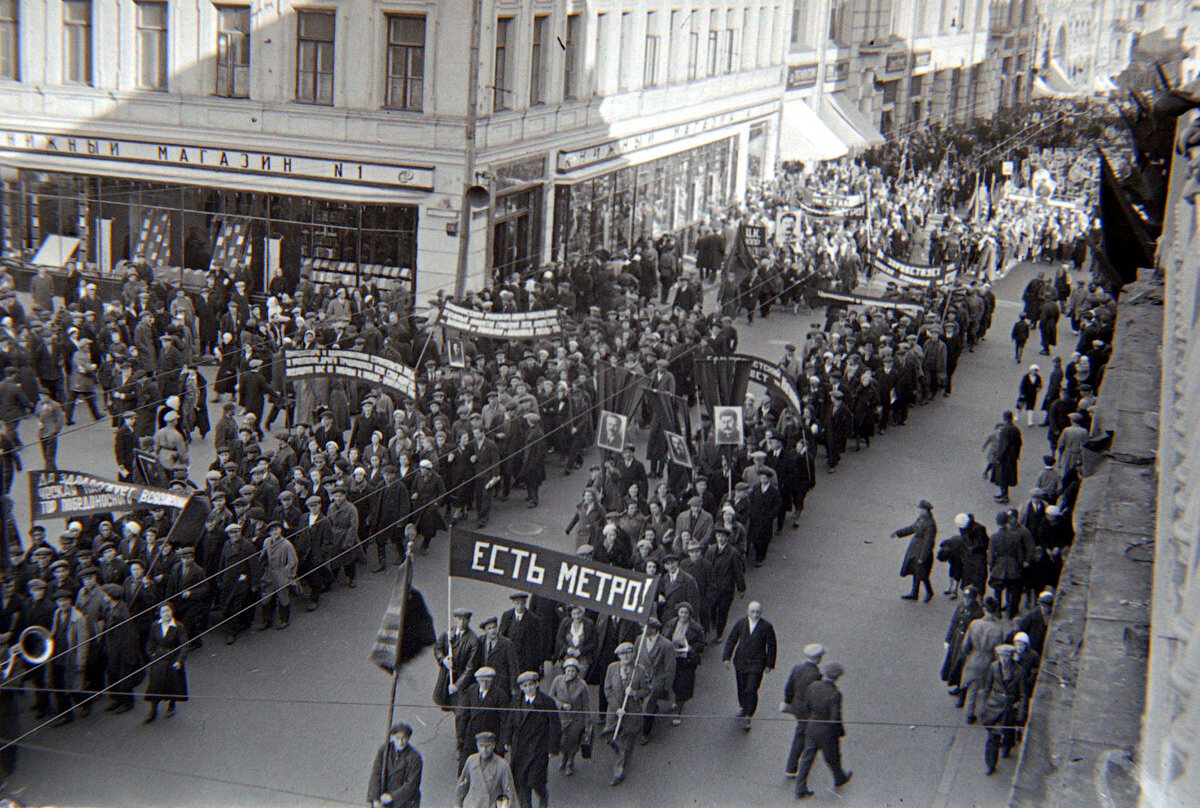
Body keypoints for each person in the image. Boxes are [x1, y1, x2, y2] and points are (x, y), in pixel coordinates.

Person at [794, 662, 852, 799]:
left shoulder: (812, 687)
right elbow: (835, 717)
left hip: (812, 727)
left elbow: (807, 706)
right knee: (832, 757)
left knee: (807, 758)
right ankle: (839, 778)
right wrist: (839, 732)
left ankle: (800, 787)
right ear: (837, 677)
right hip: (827, 732)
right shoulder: (835, 694)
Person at [505, 670, 560, 808]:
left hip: (538, 748)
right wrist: (506, 740)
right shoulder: (516, 701)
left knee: (535, 781)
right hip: (520, 748)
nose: (528, 688)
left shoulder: (547, 702)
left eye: (531, 684)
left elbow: (555, 726)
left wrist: (553, 748)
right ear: (521, 688)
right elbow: (510, 721)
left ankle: (543, 795)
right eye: (525, 686)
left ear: (536, 684)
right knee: (521, 782)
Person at [722, 600, 777, 730]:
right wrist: (726, 658)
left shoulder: (766, 627)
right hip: (741, 662)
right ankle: (743, 706)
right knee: (741, 687)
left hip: (757, 664)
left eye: (758, 612)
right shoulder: (741, 624)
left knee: (751, 689)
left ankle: (748, 714)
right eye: (752, 611)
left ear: (761, 613)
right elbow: (731, 640)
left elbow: (772, 646)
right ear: (747, 612)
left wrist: (769, 664)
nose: (755, 614)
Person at [602, 641, 649, 787]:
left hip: (632, 713)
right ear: (618, 656)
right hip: (614, 713)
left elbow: (647, 690)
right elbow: (607, 690)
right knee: (612, 737)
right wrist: (617, 708)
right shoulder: (611, 668)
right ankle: (620, 756)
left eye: (629, 652)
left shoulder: (639, 670)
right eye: (623, 654)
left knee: (626, 744)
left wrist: (635, 693)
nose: (626, 656)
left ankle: (619, 771)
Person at [980, 645, 1027, 776]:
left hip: (1009, 708)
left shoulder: (1019, 671)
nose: (1004, 659)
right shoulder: (994, 667)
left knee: (1008, 732)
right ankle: (991, 764)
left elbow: (1023, 694)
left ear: (1011, 657)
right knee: (992, 737)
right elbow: (987, 687)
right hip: (994, 706)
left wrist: (1022, 712)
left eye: (1006, 656)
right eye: (1001, 656)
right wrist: (983, 706)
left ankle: (1007, 746)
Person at [782, 642, 825, 778]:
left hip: (797, 706)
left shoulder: (797, 668)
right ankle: (791, 767)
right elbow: (814, 694)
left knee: (802, 730)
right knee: (801, 735)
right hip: (807, 710)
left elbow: (789, 687)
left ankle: (794, 764)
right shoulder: (816, 674)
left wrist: (788, 701)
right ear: (818, 658)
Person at [143, 602, 189, 724]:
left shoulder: (178, 626)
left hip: (172, 658)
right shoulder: (155, 625)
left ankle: (171, 705)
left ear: (172, 611)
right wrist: (151, 654)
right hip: (158, 658)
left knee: (172, 683)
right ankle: (153, 711)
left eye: (168, 611)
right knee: (155, 685)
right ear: (159, 613)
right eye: (163, 611)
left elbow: (184, 645)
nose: (166, 614)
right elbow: (150, 642)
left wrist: (179, 661)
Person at [663, 602, 705, 725]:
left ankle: (678, 712)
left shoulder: (695, 628)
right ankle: (676, 700)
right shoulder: (671, 624)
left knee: (683, 684)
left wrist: (691, 649)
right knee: (674, 682)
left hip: (687, 660)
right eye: (681, 612)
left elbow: (702, 643)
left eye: (686, 613)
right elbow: (665, 637)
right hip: (673, 657)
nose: (684, 615)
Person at [548, 656, 591, 776]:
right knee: (561, 741)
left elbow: (586, 704)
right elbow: (551, 697)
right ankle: (564, 757)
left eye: (573, 671)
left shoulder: (582, 685)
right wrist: (561, 705)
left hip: (576, 718)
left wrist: (588, 723)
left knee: (573, 741)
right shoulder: (557, 681)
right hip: (561, 717)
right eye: (568, 671)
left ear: (577, 672)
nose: (570, 673)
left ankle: (570, 762)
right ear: (564, 671)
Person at [454, 731, 517, 808]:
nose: (484, 750)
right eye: (481, 746)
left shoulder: (502, 765)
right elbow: (462, 787)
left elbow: (510, 792)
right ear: (477, 746)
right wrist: (457, 805)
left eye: (488, 746)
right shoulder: (471, 761)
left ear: (493, 745)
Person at [367, 722, 423, 808]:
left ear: (408, 738)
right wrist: (375, 799)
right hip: (383, 798)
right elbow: (376, 774)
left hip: (405, 801)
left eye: (404, 738)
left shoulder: (415, 757)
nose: (400, 742)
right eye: (398, 738)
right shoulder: (384, 751)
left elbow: (412, 784)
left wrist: (392, 796)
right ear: (392, 737)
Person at [892, 500, 937, 602]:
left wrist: (923, 557)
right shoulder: (922, 519)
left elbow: (929, 542)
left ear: (925, 510)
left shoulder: (930, 524)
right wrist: (899, 533)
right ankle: (914, 592)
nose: (919, 511)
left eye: (920, 509)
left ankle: (929, 591)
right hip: (914, 549)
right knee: (914, 570)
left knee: (922, 572)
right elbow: (913, 528)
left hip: (921, 550)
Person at [990, 411, 1022, 504]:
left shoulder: (1005, 430)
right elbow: (1019, 443)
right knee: (1007, 477)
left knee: (1002, 477)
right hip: (1012, 457)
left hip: (1005, 458)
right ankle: (1004, 494)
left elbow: (1004, 445)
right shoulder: (1015, 429)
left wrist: (999, 457)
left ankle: (1004, 496)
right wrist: (1016, 454)